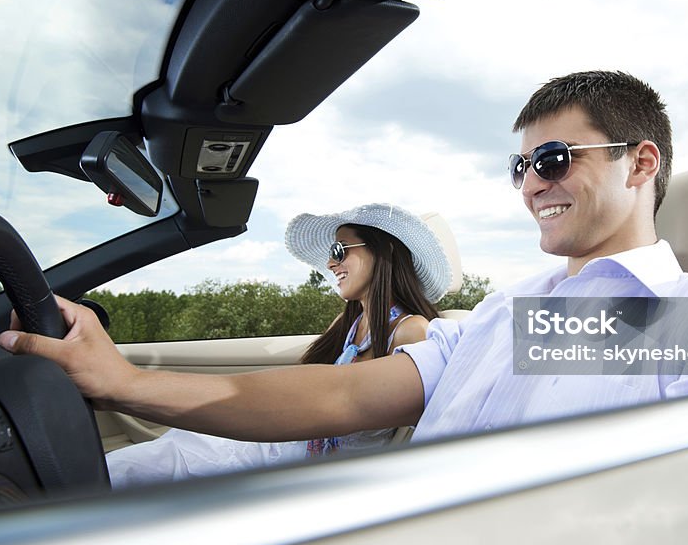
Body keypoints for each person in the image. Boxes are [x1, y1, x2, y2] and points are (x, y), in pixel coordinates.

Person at [0, 70, 688, 448]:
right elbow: (344, 392)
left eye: (554, 159)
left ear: (640, 164)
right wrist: (126, 382)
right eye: (520, 167)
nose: (532, 186)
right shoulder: (509, 313)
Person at [104, 203, 449, 486]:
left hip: (316, 475)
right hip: (289, 447)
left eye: (339, 250)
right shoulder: (349, 323)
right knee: (174, 447)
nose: (331, 263)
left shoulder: (411, 331)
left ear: (384, 250)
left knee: (163, 461)